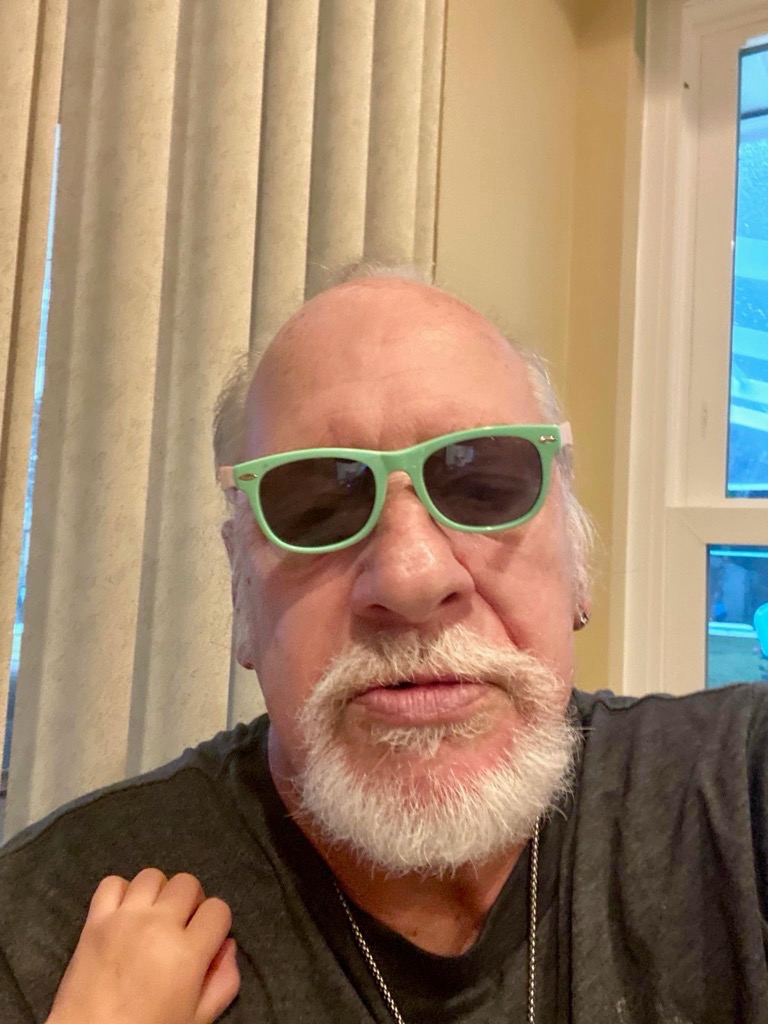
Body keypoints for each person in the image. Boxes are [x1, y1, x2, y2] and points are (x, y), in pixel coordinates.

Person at [1, 267, 768, 1024]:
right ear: (240, 591)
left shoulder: (738, 794)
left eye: (482, 487)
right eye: (317, 506)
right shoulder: (53, 933)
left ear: (576, 563)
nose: (410, 578)